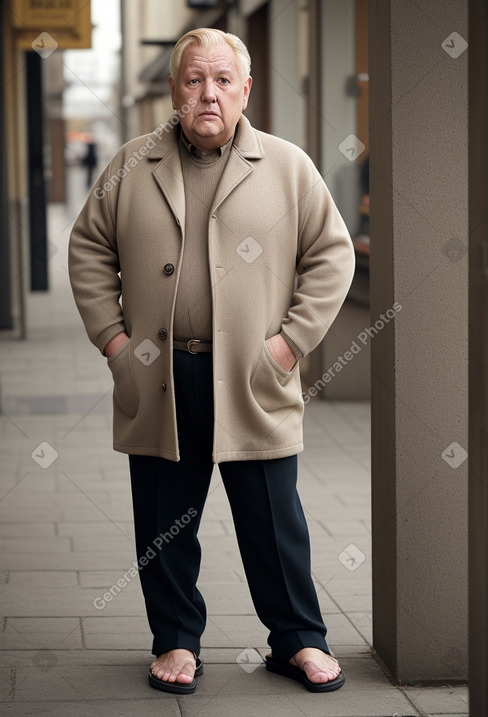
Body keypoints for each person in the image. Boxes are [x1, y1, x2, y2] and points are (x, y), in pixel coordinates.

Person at [69, 28, 355, 695]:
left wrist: (287, 344)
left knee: (272, 517)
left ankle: (299, 639)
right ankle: (174, 637)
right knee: (167, 518)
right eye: (194, 79)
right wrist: (115, 343)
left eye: (223, 80)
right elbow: (87, 248)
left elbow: (333, 254)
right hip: (160, 376)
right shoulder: (130, 165)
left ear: (245, 90)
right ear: (174, 89)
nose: (209, 93)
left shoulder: (286, 166)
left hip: (253, 377)